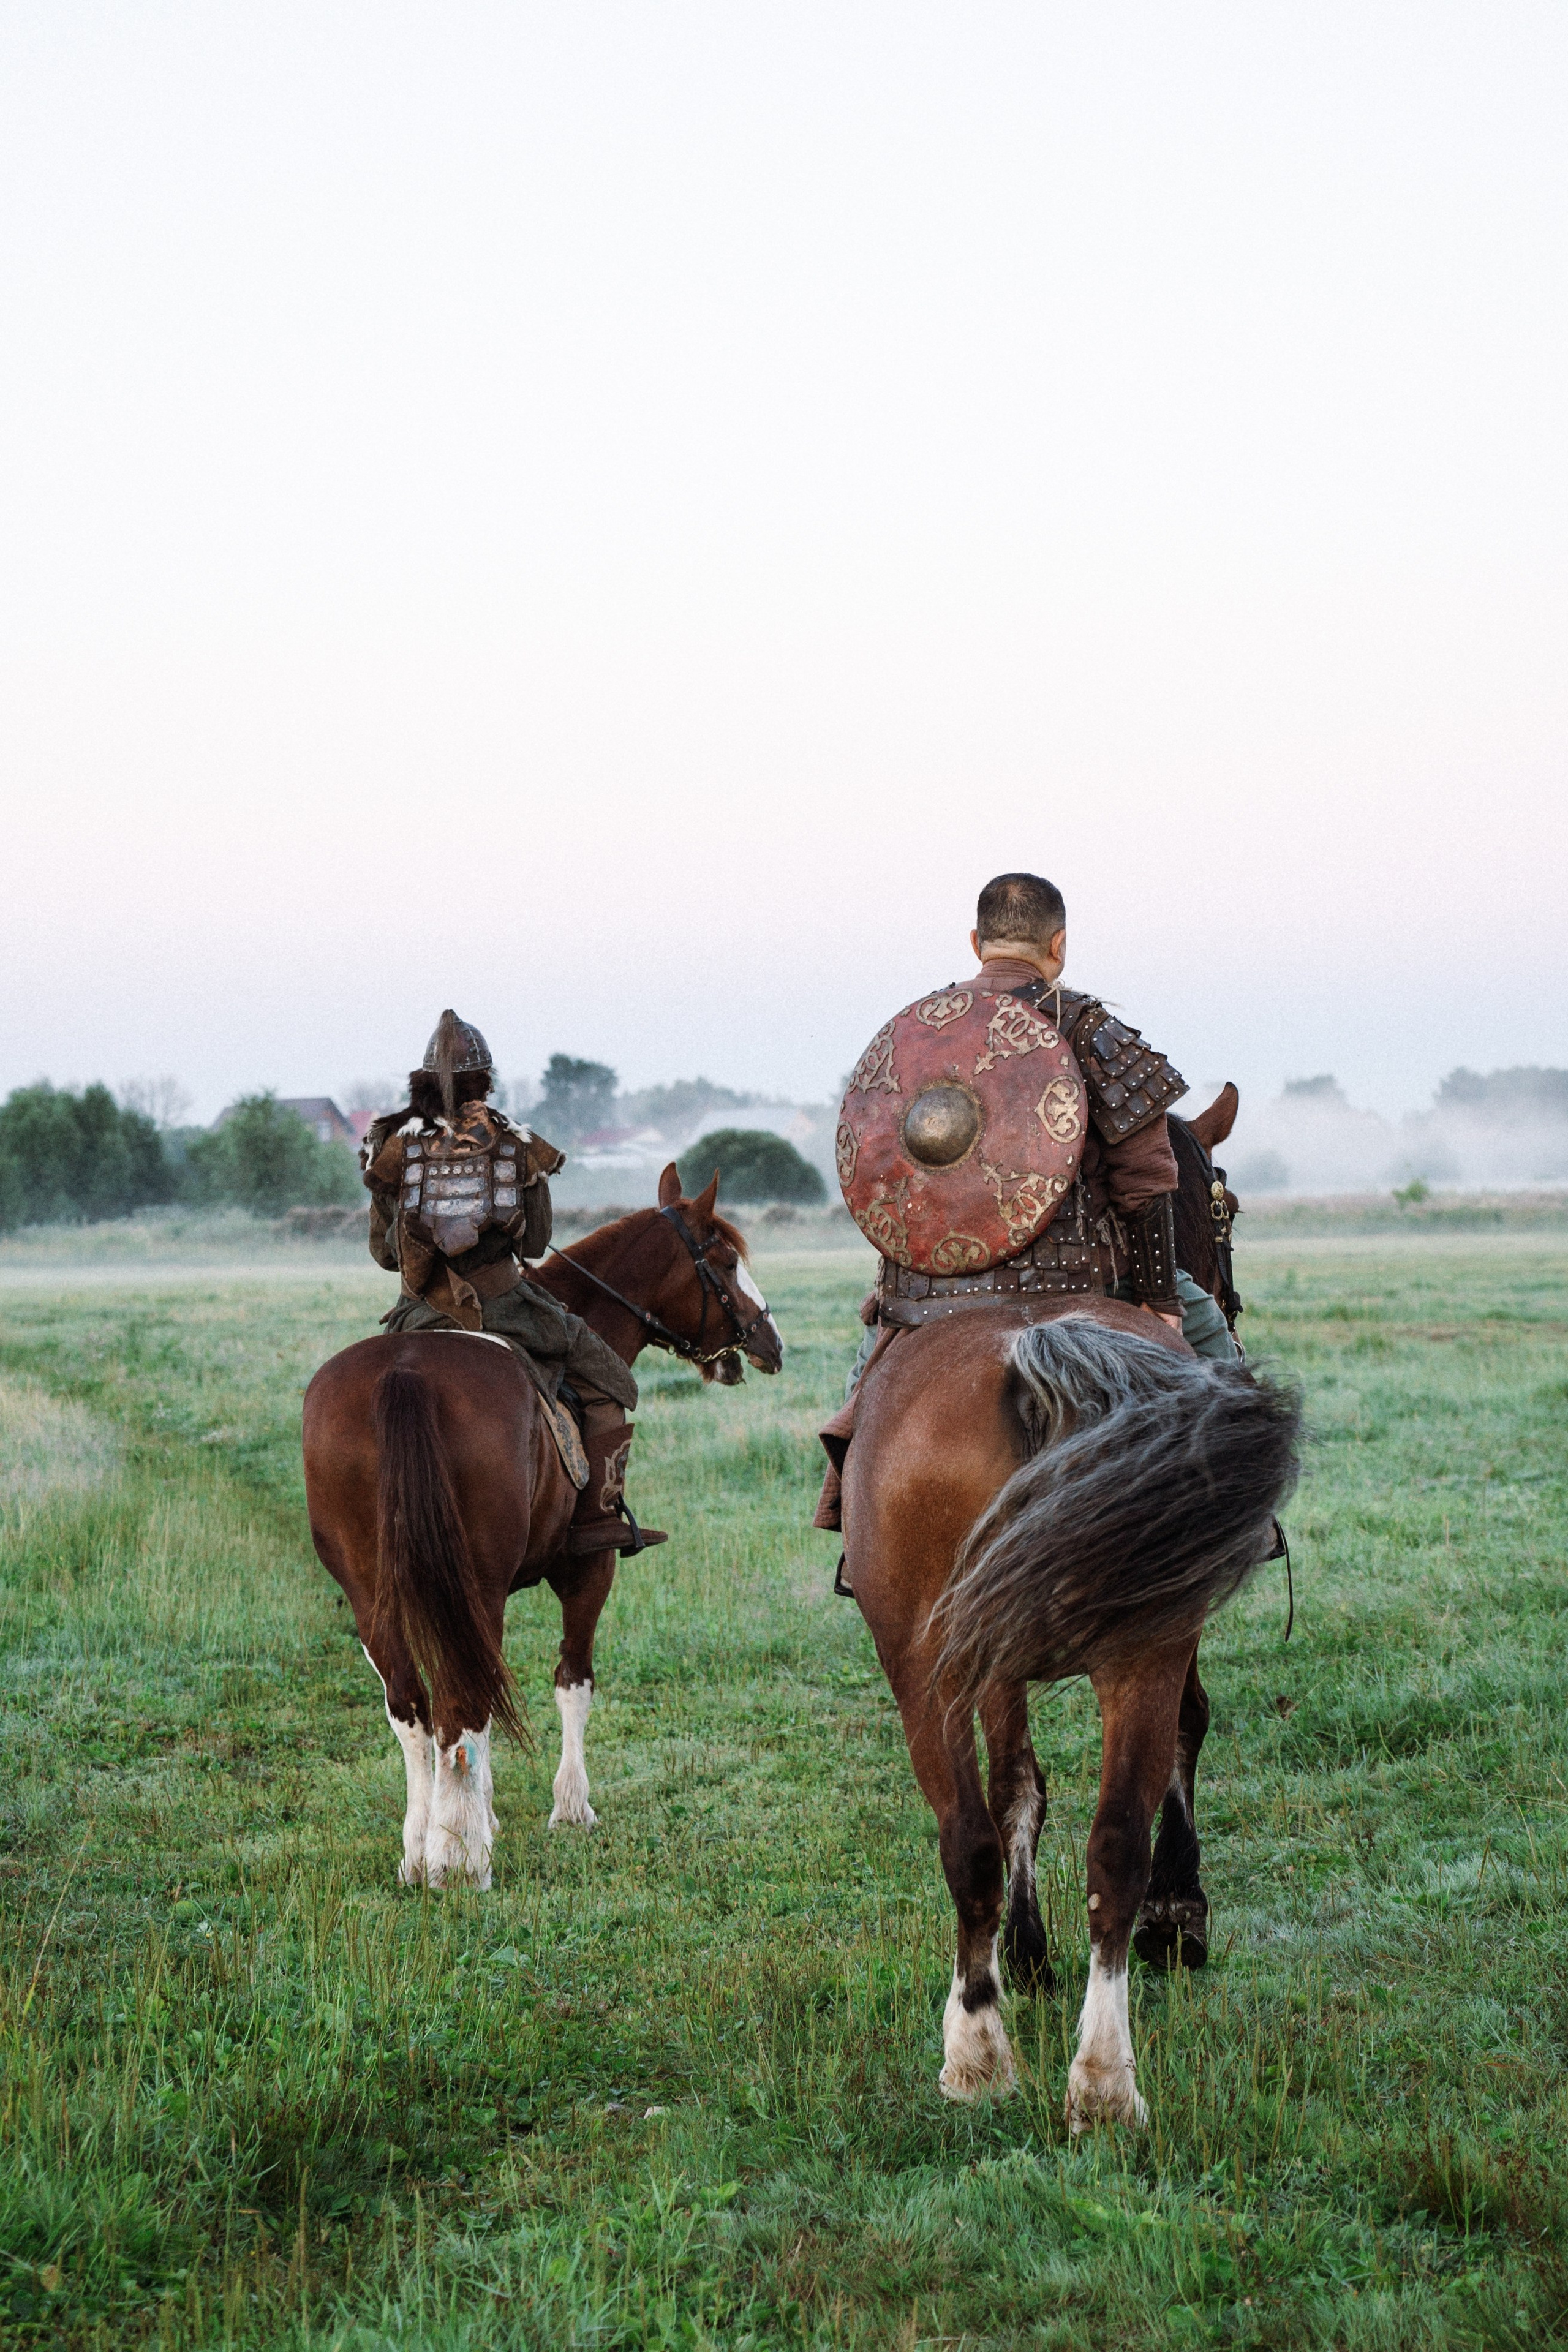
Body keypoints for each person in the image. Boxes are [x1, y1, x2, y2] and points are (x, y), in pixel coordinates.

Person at [816, 872, 1234, 1532]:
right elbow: (1148, 1183)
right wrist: (1161, 1305)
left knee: (867, 1390)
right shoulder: (1094, 1031)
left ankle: (851, 1518)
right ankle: (1241, 1518)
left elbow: (880, 1171)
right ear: (1058, 945)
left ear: (976, 942)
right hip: (1083, 1278)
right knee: (1215, 1344)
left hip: (927, 1293)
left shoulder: (917, 1036)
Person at [361, 1009, 665, 1558]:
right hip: (508, 1306)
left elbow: (384, 1253)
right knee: (608, 1383)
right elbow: (533, 1243)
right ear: (486, 1080)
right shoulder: (514, 1141)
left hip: (418, 1312)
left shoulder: (392, 1145)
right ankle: (596, 1519)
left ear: (422, 1080)